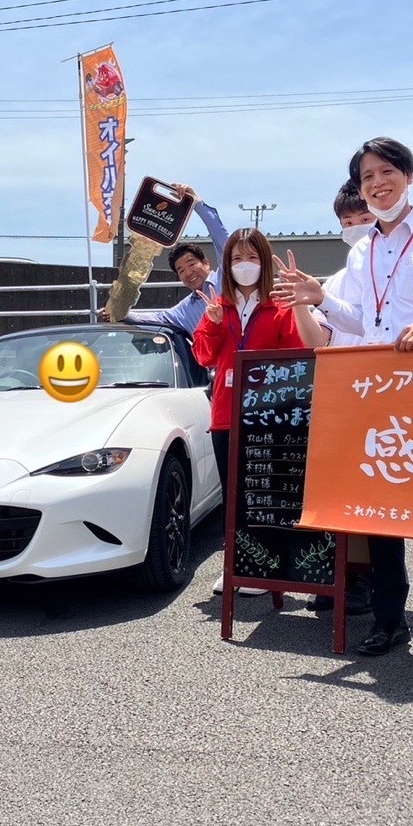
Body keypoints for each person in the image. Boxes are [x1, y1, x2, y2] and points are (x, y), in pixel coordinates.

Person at [273, 137, 413, 665]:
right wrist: (321, 298)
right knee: (386, 507)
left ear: (409, 176)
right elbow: (364, 323)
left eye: (387, 171)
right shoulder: (361, 249)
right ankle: (389, 618)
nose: (378, 183)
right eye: (367, 176)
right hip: (380, 396)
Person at [192, 228, 328, 597]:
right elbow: (203, 356)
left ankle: (263, 568)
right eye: (237, 259)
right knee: (232, 494)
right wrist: (215, 324)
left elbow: (300, 352)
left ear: (264, 263)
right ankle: (237, 564)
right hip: (225, 414)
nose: (244, 266)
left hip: (268, 415)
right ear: (227, 265)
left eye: (252, 258)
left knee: (263, 494)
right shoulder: (219, 305)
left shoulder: (279, 305)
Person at [300, 180, 376, 615]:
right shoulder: (337, 280)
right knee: (340, 492)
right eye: (348, 222)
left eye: (363, 219)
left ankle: (368, 582)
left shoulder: (401, 268)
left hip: (386, 395)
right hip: (343, 396)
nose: (356, 228)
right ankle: (340, 576)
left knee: (377, 492)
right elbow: (320, 340)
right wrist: (299, 303)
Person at [102, 186, 229, 335]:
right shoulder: (185, 309)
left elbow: (220, 236)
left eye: (191, 264)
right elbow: (159, 318)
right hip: (208, 358)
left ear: (206, 262)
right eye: (181, 270)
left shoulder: (226, 278)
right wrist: (117, 313)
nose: (188, 272)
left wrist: (197, 203)